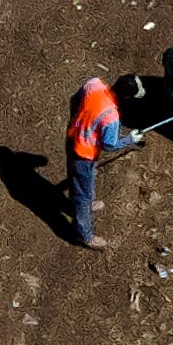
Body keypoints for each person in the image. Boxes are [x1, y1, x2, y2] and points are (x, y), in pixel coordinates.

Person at [66, 74, 133, 247]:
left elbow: (75, 100)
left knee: (75, 179)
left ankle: (78, 204)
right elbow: (109, 145)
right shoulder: (111, 116)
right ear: (125, 97)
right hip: (85, 154)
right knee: (84, 195)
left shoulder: (94, 84)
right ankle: (84, 235)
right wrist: (129, 140)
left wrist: (79, 121)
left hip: (72, 138)